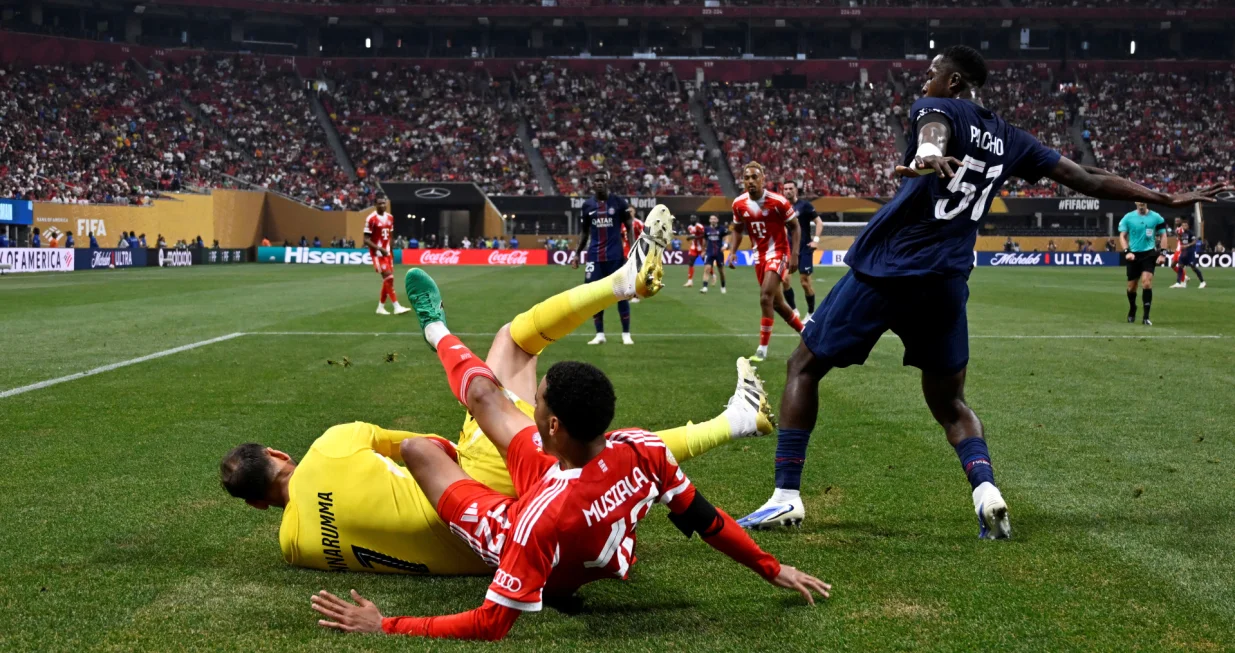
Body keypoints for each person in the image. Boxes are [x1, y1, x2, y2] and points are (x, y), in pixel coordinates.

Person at [737, 45, 1228, 536]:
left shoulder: (939, 107)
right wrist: (1158, 195)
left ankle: (785, 497)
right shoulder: (1011, 138)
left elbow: (932, 132)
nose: (923, 81)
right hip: (947, 282)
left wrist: (928, 154)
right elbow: (1085, 177)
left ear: (954, 83)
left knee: (803, 365)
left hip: (888, 270)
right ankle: (987, 493)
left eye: (932, 73)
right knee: (950, 403)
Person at [306, 219, 830, 640]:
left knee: (422, 450)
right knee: (489, 393)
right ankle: (435, 326)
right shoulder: (639, 450)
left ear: (553, 427)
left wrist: (386, 625)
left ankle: (437, 332)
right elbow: (706, 520)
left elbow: (489, 624)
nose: (528, 399)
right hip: (574, 495)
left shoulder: (533, 519)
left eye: (536, 399)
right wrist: (771, 567)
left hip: (537, 528)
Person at [219, 230, 772, 575]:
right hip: (477, 496)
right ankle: (627, 288)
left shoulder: (294, 547)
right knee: (517, 348)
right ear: (277, 453)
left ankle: (735, 415)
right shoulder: (328, 447)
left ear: (257, 505)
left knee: (575, 429)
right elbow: (423, 447)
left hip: (490, 544)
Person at [726, 162, 803, 362]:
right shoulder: (739, 204)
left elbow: (795, 227)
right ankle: (807, 334)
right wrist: (732, 252)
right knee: (777, 303)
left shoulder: (778, 202)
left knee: (764, 297)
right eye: (747, 178)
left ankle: (762, 348)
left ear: (763, 179)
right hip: (758, 257)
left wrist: (794, 255)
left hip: (778, 252)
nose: (750, 181)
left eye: (754, 177)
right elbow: (737, 229)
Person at [573, 172, 636, 346]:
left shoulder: (619, 202)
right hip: (594, 257)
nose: (599, 183)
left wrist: (632, 250)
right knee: (594, 296)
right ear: (593, 183)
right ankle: (600, 334)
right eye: (597, 180)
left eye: (602, 180)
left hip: (616, 256)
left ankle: (626, 334)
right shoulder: (588, 205)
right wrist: (577, 253)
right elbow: (584, 231)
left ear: (607, 182)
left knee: (622, 294)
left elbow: (629, 227)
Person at [1119, 203, 1170, 325]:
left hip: (1149, 254)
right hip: (1133, 255)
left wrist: (1163, 254)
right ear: (1136, 203)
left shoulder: (1157, 217)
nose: (1141, 204)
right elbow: (1122, 236)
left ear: (1146, 202)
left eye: (1143, 201)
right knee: (1132, 287)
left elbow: (1163, 235)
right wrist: (1127, 251)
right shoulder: (1128, 217)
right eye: (1139, 201)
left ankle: (1146, 317)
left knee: (1146, 283)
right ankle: (1132, 308)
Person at [365, 195, 410, 316]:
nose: (382, 205)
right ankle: (397, 307)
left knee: (388, 280)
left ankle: (380, 308)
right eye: (380, 203)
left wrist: (391, 251)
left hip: (387, 253)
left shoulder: (390, 218)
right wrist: (379, 248)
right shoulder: (371, 219)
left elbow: (390, 235)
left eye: (384, 203)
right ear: (375, 205)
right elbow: (366, 239)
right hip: (378, 253)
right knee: (389, 278)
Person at [783, 180, 823, 316]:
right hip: (788, 249)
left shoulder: (805, 206)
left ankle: (811, 313)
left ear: (796, 190)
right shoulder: (781, 207)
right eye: (785, 188)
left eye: (790, 188)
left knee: (805, 283)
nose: (788, 191)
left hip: (804, 248)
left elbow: (819, 223)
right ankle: (794, 310)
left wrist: (816, 241)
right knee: (785, 280)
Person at [1169, 217, 1206, 289]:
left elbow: (1194, 241)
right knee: (1180, 266)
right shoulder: (1182, 233)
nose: (1184, 226)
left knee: (1193, 267)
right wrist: (1179, 239)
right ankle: (1179, 282)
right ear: (1182, 226)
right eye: (1183, 225)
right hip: (1183, 253)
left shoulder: (1191, 233)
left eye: (1186, 225)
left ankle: (1202, 282)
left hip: (1190, 252)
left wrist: (1186, 246)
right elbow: (1181, 239)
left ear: (1188, 226)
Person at [701, 215, 728, 294]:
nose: (713, 220)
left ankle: (723, 287)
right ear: (709, 220)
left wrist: (725, 245)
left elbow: (726, 238)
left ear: (717, 220)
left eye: (714, 219)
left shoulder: (722, 229)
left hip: (719, 252)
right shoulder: (706, 229)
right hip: (709, 252)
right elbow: (704, 240)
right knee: (707, 269)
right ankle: (705, 287)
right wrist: (703, 250)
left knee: (721, 271)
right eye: (711, 219)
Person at [684, 216, 705, 287]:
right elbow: (691, 236)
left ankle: (713, 275)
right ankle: (690, 281)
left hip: (701, 247)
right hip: (693, 247)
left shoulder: (699, 226)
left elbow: (704, 235)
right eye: (691, 218)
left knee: (706, 263)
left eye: (694, 218)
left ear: (696, 219)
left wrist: (694, 237)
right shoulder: (689, 227)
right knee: (690, 262)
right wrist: (689, 238)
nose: (692, 220)